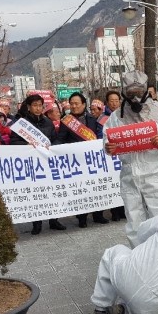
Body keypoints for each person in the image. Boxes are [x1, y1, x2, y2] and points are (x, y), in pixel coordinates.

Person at [102, 71, 158, 248]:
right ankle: (139, 258)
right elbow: (107, 139)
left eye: (139, 93)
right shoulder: (117, 116)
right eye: (131, 94)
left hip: (156, 172)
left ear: (146, 91)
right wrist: (108, 147)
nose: (136, 98)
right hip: (130, 174)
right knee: (134, 221)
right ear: (124, 92)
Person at [9, 94, 65, 234]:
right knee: (36, 193)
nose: (38, 108)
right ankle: (37, 223)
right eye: (35, 105)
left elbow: (56, 139)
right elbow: (13, 142)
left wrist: (52, 146)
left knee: (51, 192)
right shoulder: (22, 124)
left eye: (40, 105)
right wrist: (26, 144)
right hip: (32, 164)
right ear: (28, 107)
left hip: (47, 162)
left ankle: (54, 220)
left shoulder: (48, 122)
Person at [56, 92, 108, 228]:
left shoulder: (93, 119)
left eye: (76, 103)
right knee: (81, 191)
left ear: (84, 104)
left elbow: (98, 137)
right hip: (76, 162)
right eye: (71, 103)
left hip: (92, 160)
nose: (73, 106)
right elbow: (60, 139)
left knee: (96, 188)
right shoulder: (66, 121)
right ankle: (82, 218)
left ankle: (98, 215)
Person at [103, 91, 124, 222]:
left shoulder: (124, 115)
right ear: (107, 102)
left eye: (116, 100)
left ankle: (123, 210)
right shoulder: (102, 118)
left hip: (123, 157)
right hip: (110, 157)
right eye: (111, 100)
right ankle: (115, 212)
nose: (114, 103)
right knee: (113, 184)